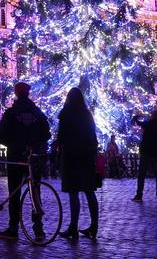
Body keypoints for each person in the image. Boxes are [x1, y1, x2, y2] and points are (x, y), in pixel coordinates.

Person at [0, 82, 51, 241]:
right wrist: (34, 144)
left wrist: (14, 144)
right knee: (35, 192)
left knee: (14, 192)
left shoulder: (11, 113)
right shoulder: (37, 113)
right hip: (33, 157)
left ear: (17, 94)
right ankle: (38, 228)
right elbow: (47, 134)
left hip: (15, 156)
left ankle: (13, 227)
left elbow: (0, 135)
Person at [56, 88, 99, 240]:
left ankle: (73, 227)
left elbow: (61, 137)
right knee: (89, 192)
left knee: (73, 193)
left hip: (71, 157)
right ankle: (94, 226)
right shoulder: (87, 115)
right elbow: (93, 136)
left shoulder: (66, 114)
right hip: (86, 157)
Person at [132, 110, 157, 202]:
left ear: (153, 116)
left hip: (146, 152)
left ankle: (139, 195)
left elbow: (138, 123)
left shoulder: (149, 123)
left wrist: (136, 118)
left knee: (142, 175)